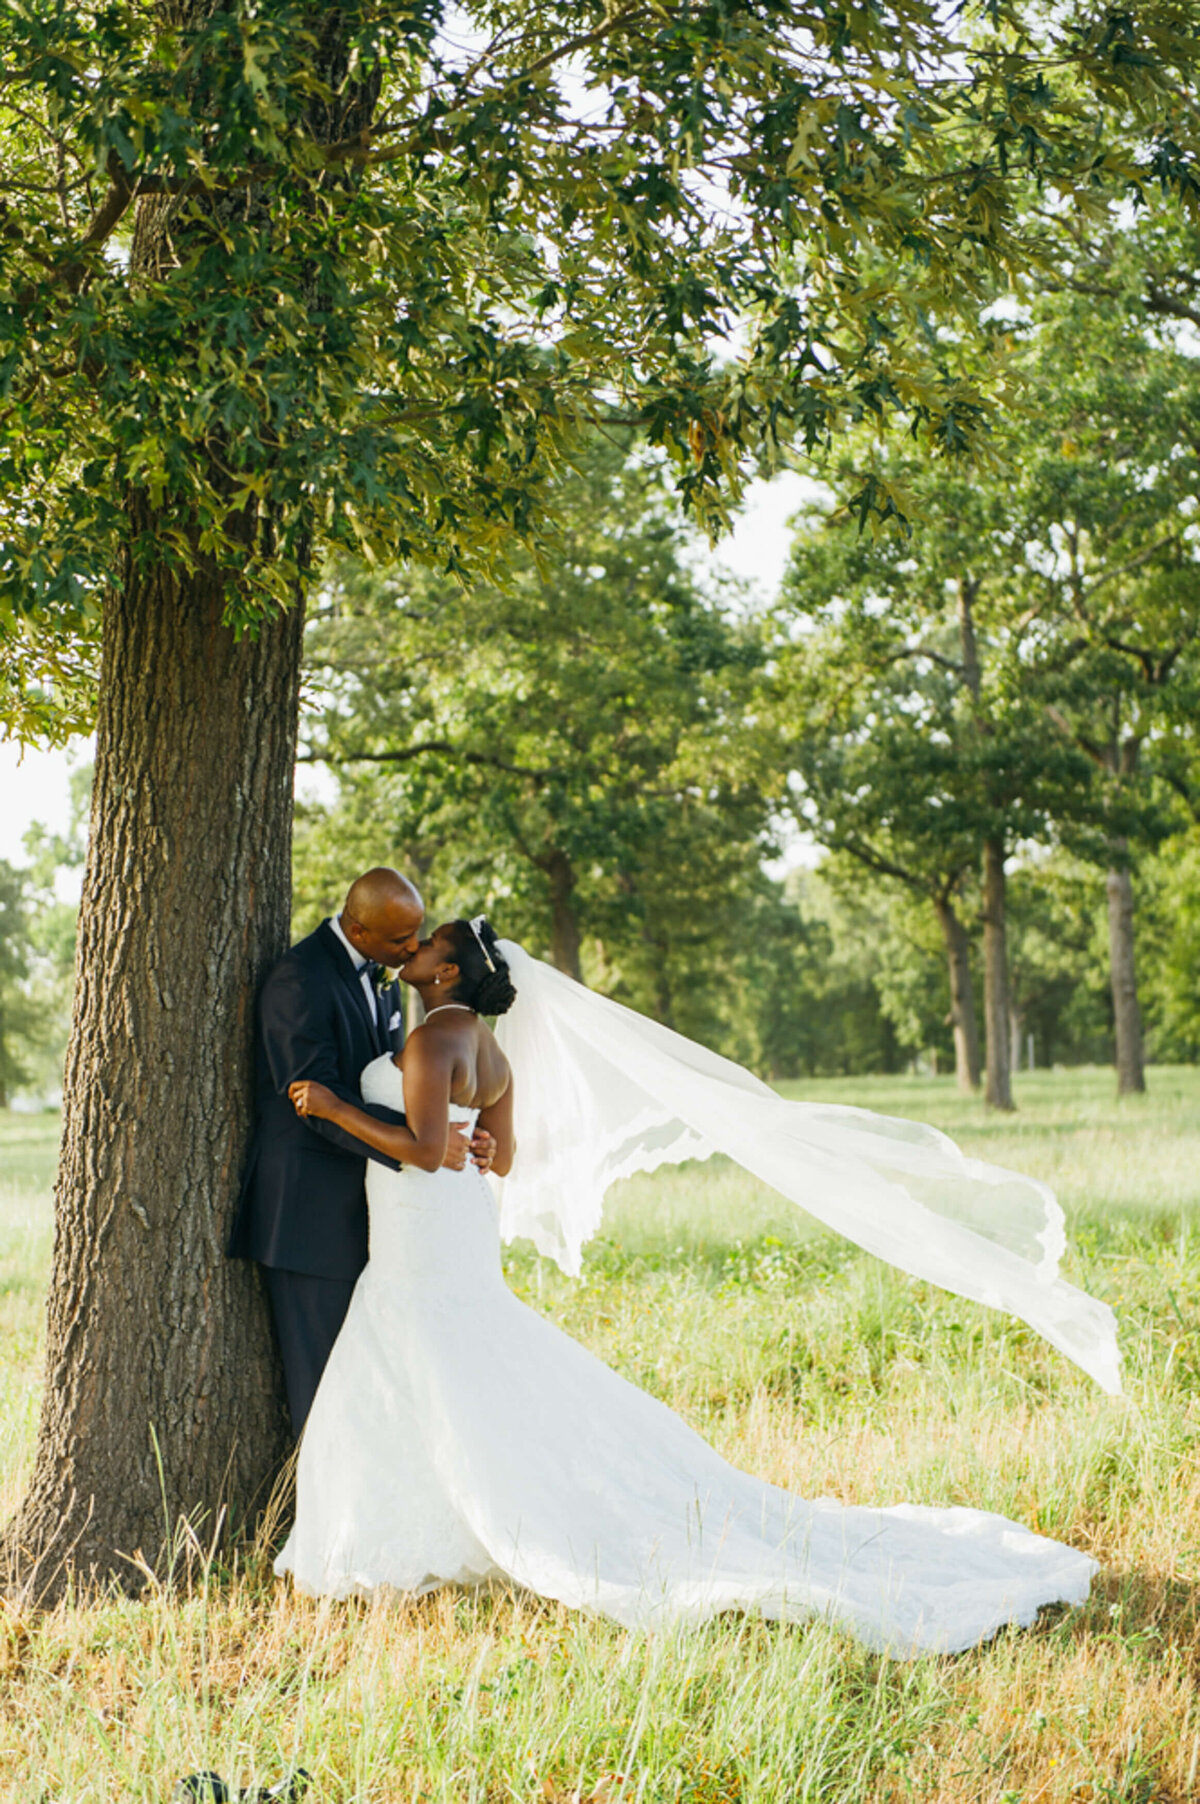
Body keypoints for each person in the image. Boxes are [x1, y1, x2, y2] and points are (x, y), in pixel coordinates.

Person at [274, 917, 1113, 1656]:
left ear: (448, 973)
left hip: (422, 1219)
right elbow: (505, 1155)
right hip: (453, 1223)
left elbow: (422, 1148)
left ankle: (396, 1539)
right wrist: (473, 1146)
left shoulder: (428, 1044)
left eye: (427, 944)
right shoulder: (492, 1051)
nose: (413, 950)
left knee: (419, 1350)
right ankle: (438, 1525)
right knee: (458, 1354)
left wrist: (331, 1108)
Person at [227, 869, 494, 1433]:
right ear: (357, 927)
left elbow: (394, 1083)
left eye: (417, 935)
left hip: (373, 1212)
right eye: (400, 940)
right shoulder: (300, 979)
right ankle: (320, 1516)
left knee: (371, 1379)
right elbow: (312, 1099)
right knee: (325, 1386)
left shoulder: (385, 978)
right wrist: (425, 1143)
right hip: (308, 1217)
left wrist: (454, 1133)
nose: (411, 949)